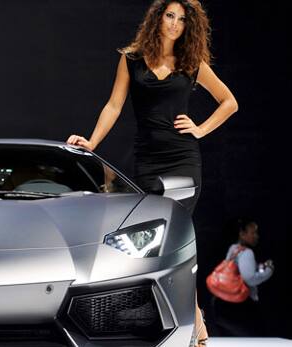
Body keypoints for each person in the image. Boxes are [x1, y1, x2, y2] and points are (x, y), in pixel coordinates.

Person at [66, 1, 238, 346]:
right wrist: (92, 143)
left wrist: (201, 129)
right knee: (153, 244)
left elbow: (229, 101)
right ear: (157, 18)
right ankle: (195, 323)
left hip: (183, 164)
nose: (175, 24)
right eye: (169, 16)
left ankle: (193, 329)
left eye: (182, 20)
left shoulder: (191, 64)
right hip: (147, 164)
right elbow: (114, 105)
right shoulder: (131, 58)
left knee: (174, 242)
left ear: (189, 27)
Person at [208, 218, 274, 336]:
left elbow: (239, 269)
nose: (256, 236)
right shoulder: (248, 253)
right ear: (242, 234)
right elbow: (250, 279)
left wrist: (260, 266)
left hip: (221, 303)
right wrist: (269, 271)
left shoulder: (234, 249)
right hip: (239, 305)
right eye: (253, 232)